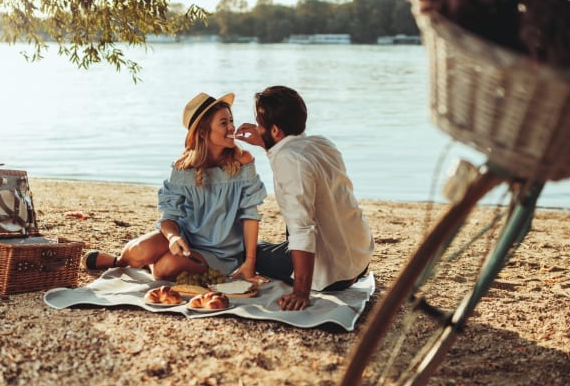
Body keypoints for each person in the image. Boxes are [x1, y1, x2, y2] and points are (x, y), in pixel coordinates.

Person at [83, 92, 269, 283]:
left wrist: (250, 262)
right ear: (203, 132)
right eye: (223, 123)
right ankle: (119, 262)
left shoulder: (243, 161)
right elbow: (169, 217)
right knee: (139, 250)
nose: (232, 127)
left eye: (231, 120)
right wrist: (172, 238)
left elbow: (250, 214)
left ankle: (150, 263)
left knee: (164, 269)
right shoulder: (183, 168)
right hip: (184, 239)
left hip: (220, 253)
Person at [235, 86, 374, 311]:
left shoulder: (289, 161)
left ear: (276, 131)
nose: (256, 128)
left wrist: (301, 292)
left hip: (333, 275)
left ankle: (299, 279)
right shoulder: (321, 144)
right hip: (358, 260)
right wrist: (264, 140)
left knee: (244, 248)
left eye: (260, 124)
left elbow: (302, 229)